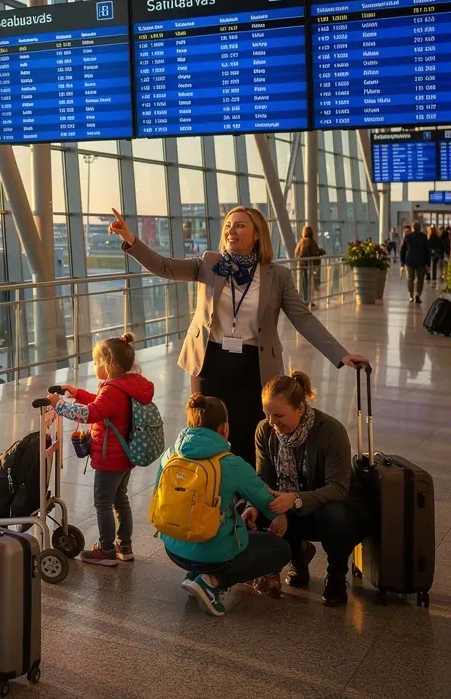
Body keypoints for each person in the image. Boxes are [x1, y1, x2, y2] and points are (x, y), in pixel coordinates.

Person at [107, 206, 367, 465]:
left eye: (240, 225)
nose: (232, 230)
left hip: (254, 366)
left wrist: (340, 354)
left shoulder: (277, 276)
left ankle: (244, 500)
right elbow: (164, 266)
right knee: (206, 434)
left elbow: (303, 318)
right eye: (229, 225)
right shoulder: (209, 264)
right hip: (209, 362)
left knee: (248, 436)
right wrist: (131, 238)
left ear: (257, 234)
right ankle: (211, 495)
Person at [156, 394, 289, 617]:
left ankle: (193, 575)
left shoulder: (170, 455)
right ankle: (211, 582)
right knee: (279, 550)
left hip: (173, 547)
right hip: (212, 554)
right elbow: (268, 501)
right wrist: (281, 514)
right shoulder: (230, 463)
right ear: (224, 428)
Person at [246, 371, 367, 608]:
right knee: (251, 510)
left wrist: (296, 500)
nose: (272, 423)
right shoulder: (265, 431)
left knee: (335, 515)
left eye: (279, 415)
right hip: (286, 502)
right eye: (267, 414)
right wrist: (265, 506)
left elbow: (338, 489)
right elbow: (263, 479)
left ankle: (336, 575)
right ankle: (297, 559)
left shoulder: (331, 432)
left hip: (326, 508)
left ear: (300, 409)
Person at [52, 333, 154, 566]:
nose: (95, 365)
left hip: (110, 458)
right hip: (125, 456)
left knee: (102, 502)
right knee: (121, 499)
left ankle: (106, 549)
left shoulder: (112, 391)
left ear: (109, 365)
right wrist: (77, 393)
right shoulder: (127, 385)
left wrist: (59, 405)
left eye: (97, 362)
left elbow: (91, 413)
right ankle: (124, 545)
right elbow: (100, 403)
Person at [293, 224, 325, 307]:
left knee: (303, 282)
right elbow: (315, 252)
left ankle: (302, 300)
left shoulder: (300, 241)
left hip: (300, 265)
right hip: (308, 265)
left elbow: (296, 253)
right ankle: (307, 300)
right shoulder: (311, 241)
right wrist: (321, 252)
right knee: (309, 283)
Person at [400, 221, 430, 304]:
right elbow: (427, 251)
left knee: (410, 279)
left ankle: (410, 296)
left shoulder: (407, 237)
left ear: (412, 228)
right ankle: (418, 295)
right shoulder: (424, 237)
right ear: (420, 228)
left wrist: (402, 262)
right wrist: (428, 264)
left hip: (409, 261)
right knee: (420, 280)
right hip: (421, 261)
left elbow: (402, 250)